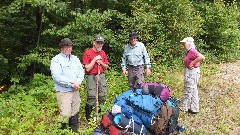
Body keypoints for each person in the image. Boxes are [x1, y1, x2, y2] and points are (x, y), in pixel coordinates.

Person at [50, 38, 84, 133]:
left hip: (75, 90)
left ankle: (74, 130)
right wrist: (72, 83)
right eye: (65, 46)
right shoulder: (56, 60)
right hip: (64, 91)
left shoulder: (75, 59)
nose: (68, 48)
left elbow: (81, 72)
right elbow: (57, 76)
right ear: (61, 48)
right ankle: (62, 131)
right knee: (65, 113)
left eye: (69, 46)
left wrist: (78, 82)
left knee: (75, 110)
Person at [82, 35, 109, 121]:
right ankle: (88, 116)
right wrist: (94, 60)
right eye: (98, 43)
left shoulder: (103, 53)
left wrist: (100, 62)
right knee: (92, 95)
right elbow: (87, 68)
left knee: (102, 94)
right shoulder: (87, 53)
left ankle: (101, 113)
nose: (100, 45)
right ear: (94, 43)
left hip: (101, 75)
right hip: (91, 76)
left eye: (101, 43)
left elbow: (106, 67)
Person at [180, 37, 205, 114]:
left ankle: (184, 107)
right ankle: (194, 108)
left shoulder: (192, 50)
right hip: (192, 72)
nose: (183, 46)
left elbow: (202, 57)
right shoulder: (190, 51)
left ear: (189, 43)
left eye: (184, 44)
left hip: (192, 73)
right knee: (193, 90)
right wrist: (195, 63)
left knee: (188, 89)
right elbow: (198, 59)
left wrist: (192, 63)